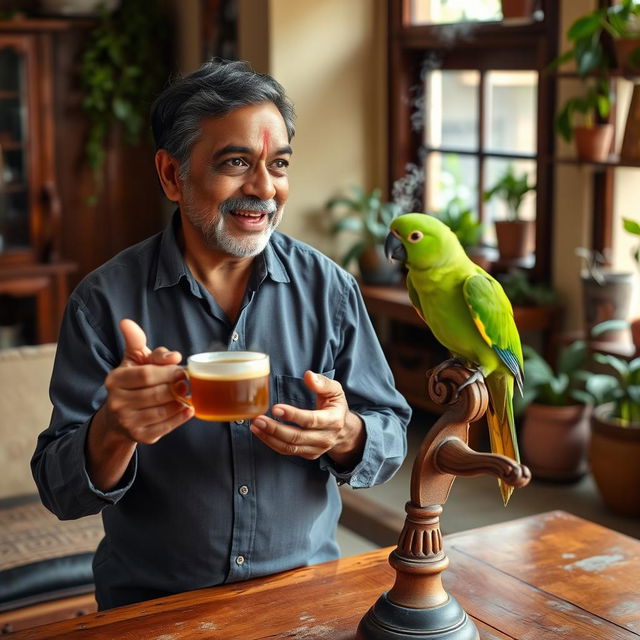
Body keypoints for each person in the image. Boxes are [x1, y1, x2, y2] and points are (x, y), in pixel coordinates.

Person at [31, 59, 411, 610]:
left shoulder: (330, 289)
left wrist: (346, 432)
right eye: (236, 162)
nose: (264, 188)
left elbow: (392, 431)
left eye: (278, 164)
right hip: (152, 606)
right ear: (171, 175)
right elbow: (59, 491)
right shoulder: (103, 302)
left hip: (305, 598)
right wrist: (114, 429)